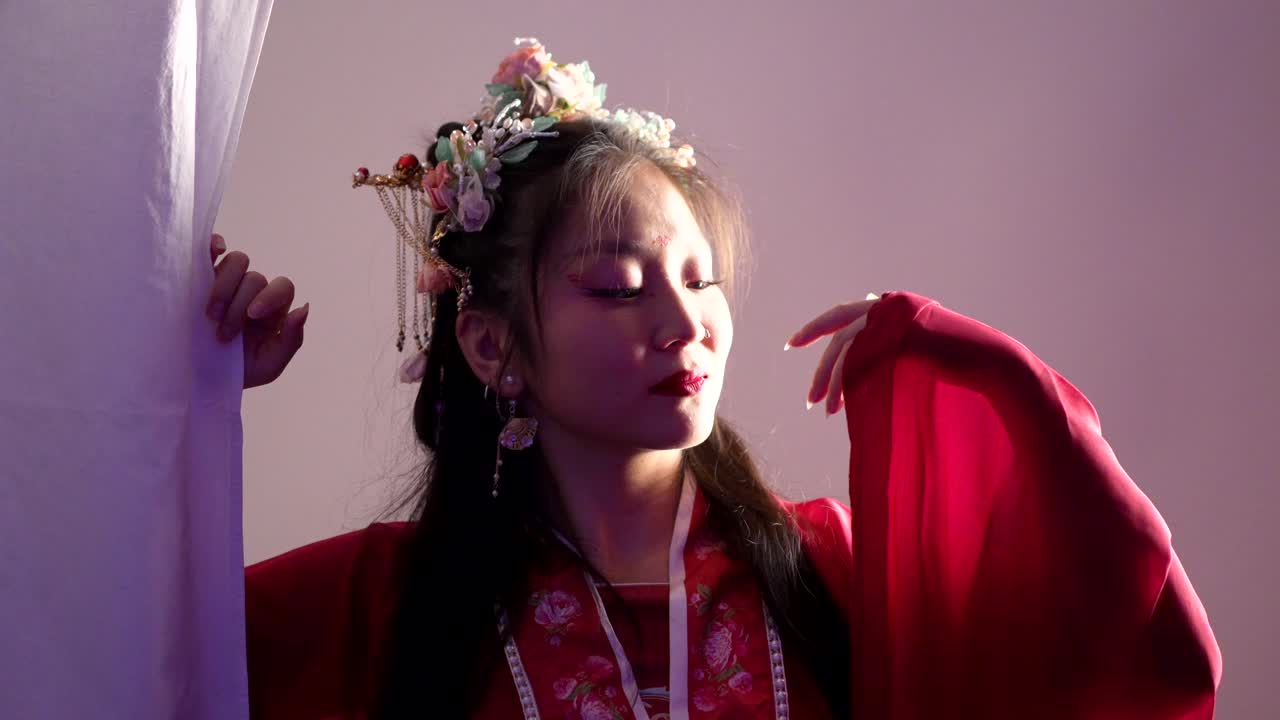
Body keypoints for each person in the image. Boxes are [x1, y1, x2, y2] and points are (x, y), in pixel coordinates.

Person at [208, 39, 1221, 719]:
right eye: (615, 287)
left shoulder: (836, 575)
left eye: (700, 279)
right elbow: (110, 646)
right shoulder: (379, 602)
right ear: (490, 346)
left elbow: (1117, 638)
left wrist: (999, 380)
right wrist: (192, 408)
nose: (683, 320)